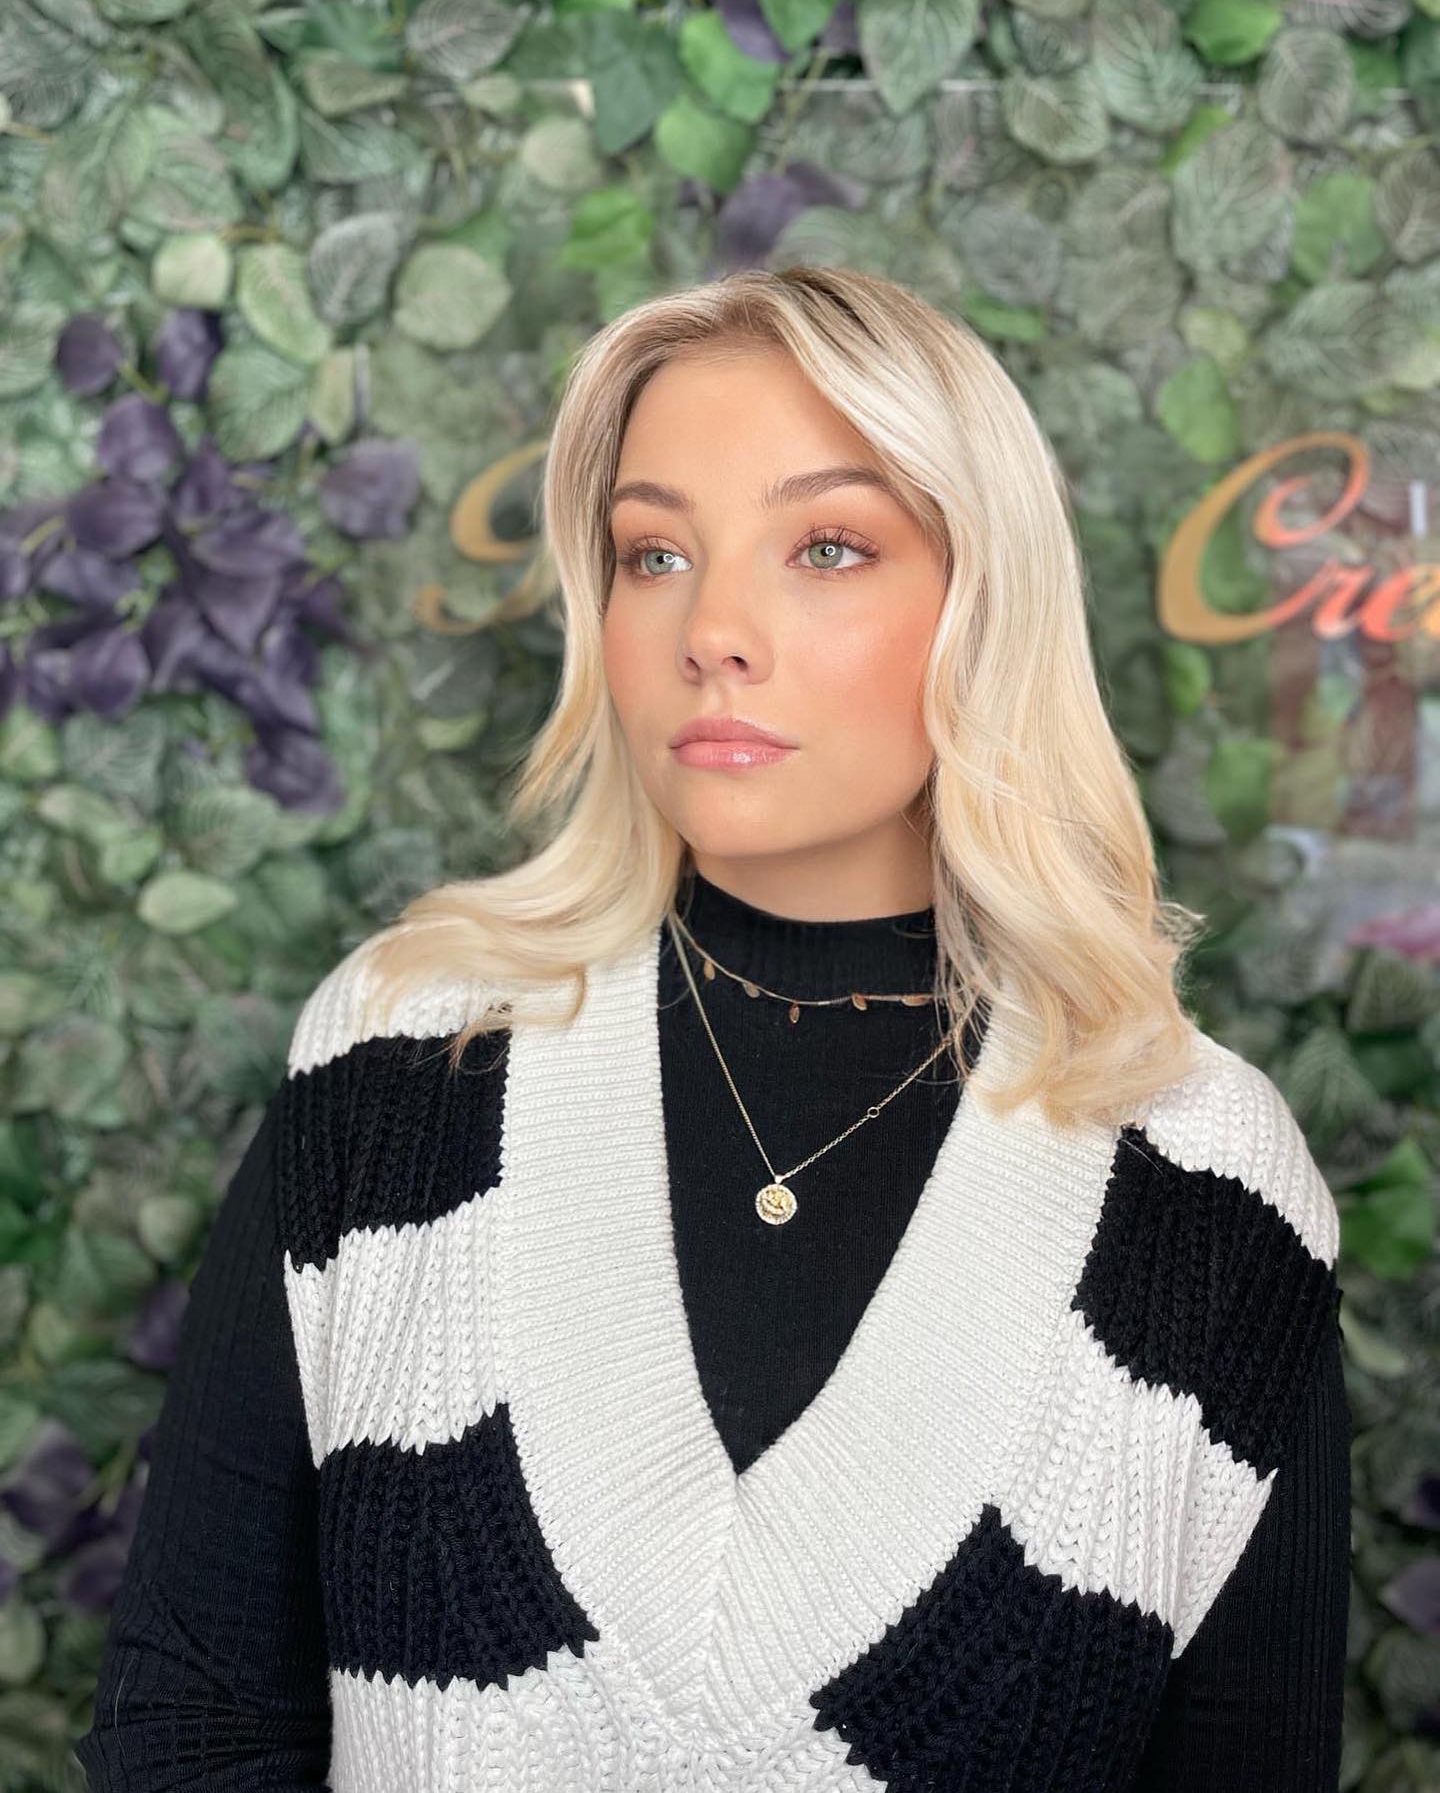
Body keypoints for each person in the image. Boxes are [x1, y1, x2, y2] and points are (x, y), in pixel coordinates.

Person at [74, 265, 1350, 1790]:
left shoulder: (1209, 1193)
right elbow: (193, 1728)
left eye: (826, 545)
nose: (713, 629)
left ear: (983, 600)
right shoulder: (398, 1062)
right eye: (654, 551)